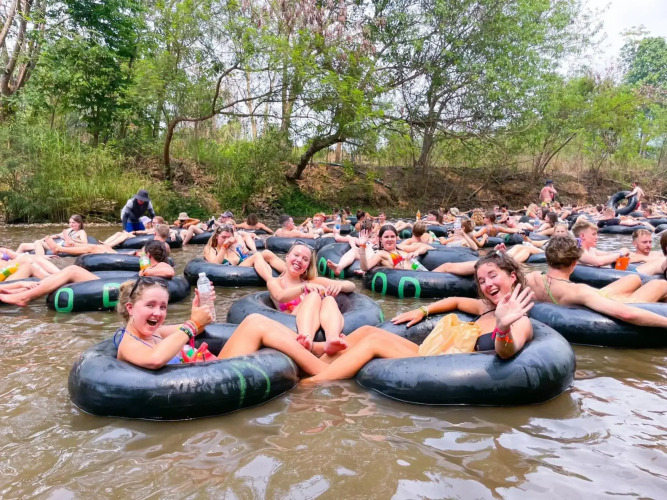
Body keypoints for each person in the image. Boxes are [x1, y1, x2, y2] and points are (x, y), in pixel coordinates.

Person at [301, 252, 535, 382]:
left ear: (512, 276)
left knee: (373, 341)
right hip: (435, 354)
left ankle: (311, 384)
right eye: (482, 281)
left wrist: (502, 327)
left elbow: (506, 352)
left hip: (446, 369)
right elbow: (454, 301)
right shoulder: (485, 307)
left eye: (493, 276)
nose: (487, 284)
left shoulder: (520, 321)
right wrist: (422, 310)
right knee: (367, 331)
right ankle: (318, 362)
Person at [524, 237, 667, 326]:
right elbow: (627, 314)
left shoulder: (532, 277)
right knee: (660, 284)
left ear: (548, 258)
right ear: (575, 263)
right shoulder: (578, 291)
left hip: (599, 295)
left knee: (633, 278)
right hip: (617, 302)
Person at [0, 241, 175, 306]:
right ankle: (19, 290)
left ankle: (24, 297)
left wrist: (147, 269)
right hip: (112, 282)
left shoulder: (160, 266)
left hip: (115, 287)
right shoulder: (150, 266)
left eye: (143, 254)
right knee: (66, 274)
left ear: (148, 255)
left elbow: (169, 271)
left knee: (72, 270)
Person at [266, 242, 356, 354]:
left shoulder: (312, 281)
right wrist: (304, 288)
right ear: (287, 256)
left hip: (315, 319)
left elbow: (352, 286)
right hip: (291, 322)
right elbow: (280, 296)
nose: (299, 260)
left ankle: (332, 338)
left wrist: (340, 285)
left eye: (305, 259)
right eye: (296, 255)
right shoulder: (275, 282)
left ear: (308, 265)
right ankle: (306, 337)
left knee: (329, 299)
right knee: (313, 295)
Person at [203, 224, 285, 282]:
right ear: (217, 236)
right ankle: (271, 281)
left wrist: (244, 251)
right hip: (228, 271)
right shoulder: (210, 249)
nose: (227, 240)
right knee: (257, 255)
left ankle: (289, 273)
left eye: (229, 237)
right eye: (223, 237)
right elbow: (215, 265)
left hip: (241, 267)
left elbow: (245, 255)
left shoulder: (234, 245)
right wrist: (224, 247)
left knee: (266, 253)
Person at [358, 225, 431, 271]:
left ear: (396, 238)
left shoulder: (402, 248)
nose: (390, 239)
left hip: (422, 273)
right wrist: (362, 245)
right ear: (381, 239)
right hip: (409, 280)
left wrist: (416, 252)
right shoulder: (381, 254)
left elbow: (424, 247)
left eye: (392, 236)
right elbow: (365, 268)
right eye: (386, 237)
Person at [16, 215, 88, 256]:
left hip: (60, 247)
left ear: (79, 223)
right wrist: (47, 238)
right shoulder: (69, 230)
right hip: (56, 244)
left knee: (38, 242)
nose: (71, 224)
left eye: (73, 222)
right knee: (23, 245)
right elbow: (58, 235)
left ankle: (40, 260)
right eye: (70, 222)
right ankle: (13, 260)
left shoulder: (81, 232)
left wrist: (71, 239)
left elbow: (85, 243)